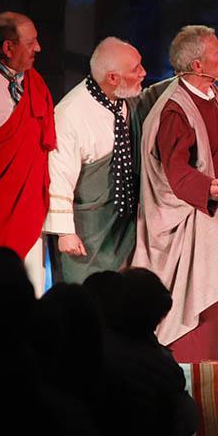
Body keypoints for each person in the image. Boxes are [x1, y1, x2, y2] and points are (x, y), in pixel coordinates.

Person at [133, 26, 218, 362]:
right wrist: (207, 188)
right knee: (197, 305)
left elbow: (210, 119)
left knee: (212, 304)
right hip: (189, 222)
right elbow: (175, 168)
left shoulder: (207, 93)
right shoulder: (174, 111)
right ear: (197, 66)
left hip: (210, 212)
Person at [46, 37, 147, 283]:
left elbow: (157, 94)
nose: (144, 73)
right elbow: (59, 175)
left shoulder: (126, 100)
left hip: (123, 224)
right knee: (86, 293)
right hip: (88, 227)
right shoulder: (70, 113)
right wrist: (65, 232)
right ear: (113, 78)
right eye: (136, 69)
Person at [0, 12, 55, 296]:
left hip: (29, 209)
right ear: (8, 47)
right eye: (31, 42)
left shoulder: (36, 83)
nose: (39, 48)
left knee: (29, 291)